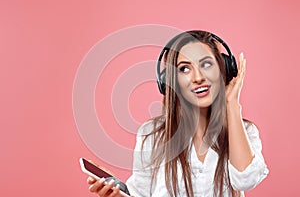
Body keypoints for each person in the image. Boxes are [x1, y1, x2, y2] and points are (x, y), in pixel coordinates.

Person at [86, 30, 269, 197]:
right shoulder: (152, 134)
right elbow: (140, 193)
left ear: (224, 70)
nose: (198, 77)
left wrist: (232, 105)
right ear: (171, 82)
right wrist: (117, 194)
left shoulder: (244, 131)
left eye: (206, 64)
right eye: (185, 69)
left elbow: (247, 179)